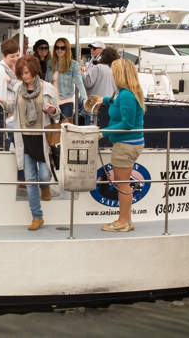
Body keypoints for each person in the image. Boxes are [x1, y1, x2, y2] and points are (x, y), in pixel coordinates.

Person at [5, 56, 60, 230]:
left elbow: (57, 114)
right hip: (25, 139)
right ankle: (37, 217)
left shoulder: (47, 88)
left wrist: (52, 110)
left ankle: (45, 187)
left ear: (34, 70)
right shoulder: (17, 88)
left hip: (42, 139)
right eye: (21, 73)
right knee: (30, 180)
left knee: (44, 176)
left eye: (27, 72)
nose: (24, 76)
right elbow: (11, 108)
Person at [94, 59, 145, 232]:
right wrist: (105, 100)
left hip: (126, 145)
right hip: (129, 143)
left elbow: (127, 124)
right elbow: (117, 103)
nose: (112, 75)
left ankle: (123, 220)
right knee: (124, 183)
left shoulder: (127, 95)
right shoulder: (125, 93)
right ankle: (127, 220)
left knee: (123, 183)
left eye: (114, 71)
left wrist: (103, 133)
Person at [45, 37, 87, 119]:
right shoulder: (51, 62)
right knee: (51, 129)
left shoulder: (73, 64)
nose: (59, 50)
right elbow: (46, 83)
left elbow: (79, 83)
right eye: (57, 47)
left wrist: (85, 99)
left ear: (67, 49)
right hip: (51, 102)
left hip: (66, 101)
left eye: (62, 48)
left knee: (65, 128)